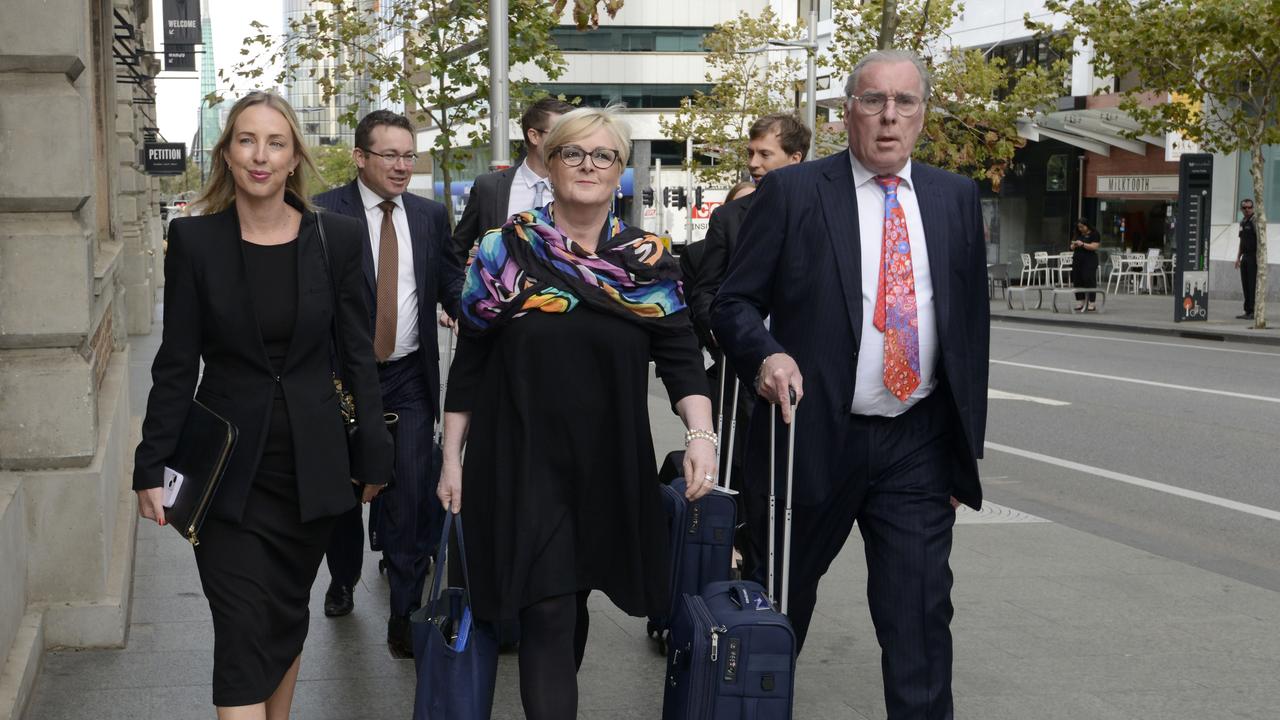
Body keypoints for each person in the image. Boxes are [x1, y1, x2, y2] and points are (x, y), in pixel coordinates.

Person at [712, 50, 989, 720]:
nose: (889, 117)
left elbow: (969, 331)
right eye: (873, 101)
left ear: (923, 114)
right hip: (810, 438)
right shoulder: (795, 193)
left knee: (920, 619)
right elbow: (732, 305)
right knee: (780, 610)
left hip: (916, 445)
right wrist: (768, 356)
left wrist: (960, 454)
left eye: (905, 102)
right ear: (848, 113)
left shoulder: (954, 198)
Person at [436, 106, 716, 719]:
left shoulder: (649, 259)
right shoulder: (503, 250)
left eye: (604, 156)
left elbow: (680, 358)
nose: (588, 166)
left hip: (609, 460)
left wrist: (701, 435)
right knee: (549, 607)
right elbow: (470, 362)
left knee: (571, 601)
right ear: (549, 162)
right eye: (573, 154)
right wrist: (450, 458)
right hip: (522, 458)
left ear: (619, 173)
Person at [132, 91, 393, 717]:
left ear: (294, 156)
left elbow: (357, 355)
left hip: (312, 468)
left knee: (281, 614)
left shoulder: (339, 238)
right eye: (247, 140)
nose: (261, 155)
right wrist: (150, 464)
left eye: (275, 142)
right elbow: (176, 362)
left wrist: (375, 456)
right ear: (227, 152)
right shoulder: (194, 241)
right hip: (226, 473)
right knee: (241, 627)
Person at [313, 110, 464, 656]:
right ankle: (344, 575)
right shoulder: (323, 213)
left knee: (410, 498)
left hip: (408, 379)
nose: (403, 166)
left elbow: (449, 281)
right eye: (390, 155)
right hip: (341, 383)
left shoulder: (428, 216)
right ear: (360, 157)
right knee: (345, 496)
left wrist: (473, 306)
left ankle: (403, 613)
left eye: (409, 155)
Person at [449, 97, 576, 270]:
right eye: (560, 133)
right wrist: (464, 294)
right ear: (534, 136)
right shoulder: (489, 187)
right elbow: (456, 251)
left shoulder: (576, 188)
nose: (568, 142)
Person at [1069, 218, 1101, 311]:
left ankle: (1092, 302)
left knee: (1088, 278)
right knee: (1077, 279)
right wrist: (1074, 245)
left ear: (1087, 225)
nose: (1080, 229)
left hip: (1089, 260)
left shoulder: (1094, 234)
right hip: (1077, 259)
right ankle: (1081, 301)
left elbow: (1094, 246)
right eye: (1079, 227)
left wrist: (1083, 244)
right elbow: (1071, 247)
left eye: (1082, 227)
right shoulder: (1077, 234)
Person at [1236, 198, 1256, 320]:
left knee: (1252, 284)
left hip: (1254, 257)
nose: (1247, 210)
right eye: (1245, 208)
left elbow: (1261, 240)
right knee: (1245, 284)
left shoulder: (1255, 221)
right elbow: (1241, 242)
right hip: (1245, 257)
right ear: (1241, 209)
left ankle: (1253, 311)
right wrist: (1238, 257)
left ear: (1253, 208)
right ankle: (1247, 310)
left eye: (1249, 207)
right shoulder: (1243, 222)